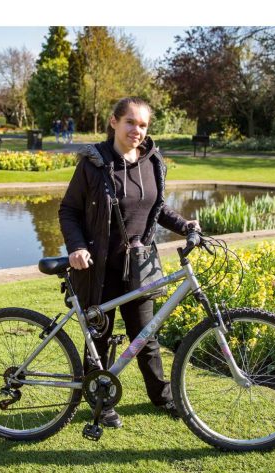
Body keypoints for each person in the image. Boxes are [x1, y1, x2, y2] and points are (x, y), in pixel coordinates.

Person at [59, 97, 200, 428]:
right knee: (100, 337)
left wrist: (185, 226)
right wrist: (77, 247)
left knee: (146, 336)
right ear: (113, 122)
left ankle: (162, 396)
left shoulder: (152, 161)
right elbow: (69, 210)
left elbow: (157, 209)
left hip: (138, 266)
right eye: (130, 122)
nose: (137, 130)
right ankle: (100, 400)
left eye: (143, 124)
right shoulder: (94, 164)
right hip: (99, 267)